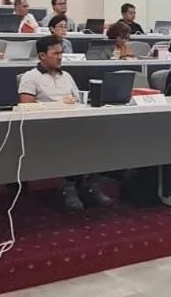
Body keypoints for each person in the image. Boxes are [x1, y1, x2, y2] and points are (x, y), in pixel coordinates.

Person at [20, 36, 112, 211]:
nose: (60, 57)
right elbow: (26, 107)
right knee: (76, 141)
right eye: (55, 53)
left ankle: (92, 183)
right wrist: (58, 105)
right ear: (42, 56)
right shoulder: (30, 77)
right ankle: (69, 186)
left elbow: (77, 100)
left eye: (61, 53)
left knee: (101, 137)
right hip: (46, 128)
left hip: (73, 123)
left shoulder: (67, 76)